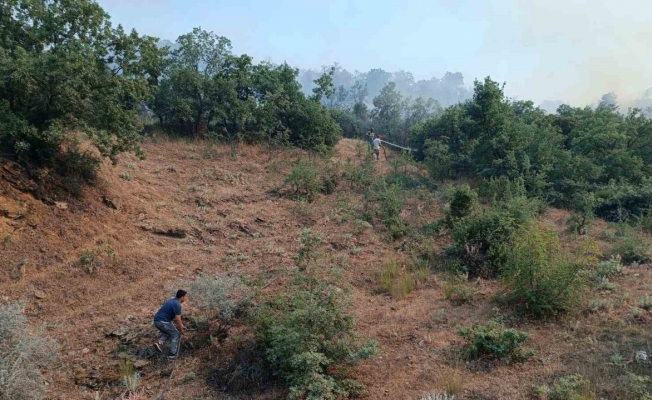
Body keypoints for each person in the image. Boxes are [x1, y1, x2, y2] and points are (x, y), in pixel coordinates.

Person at [153, 289, 187, 360]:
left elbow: (175, 319)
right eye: (185, 296)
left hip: (157, 321)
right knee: (176, 334)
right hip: (162, 322)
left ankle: (159, 343)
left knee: (168, 332)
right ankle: (172, 355)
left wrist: (182, 326)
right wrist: (181, 330)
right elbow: (178, 319)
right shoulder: (177, 304)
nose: (186, 298)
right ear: (182, 297)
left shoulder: (172, 301)